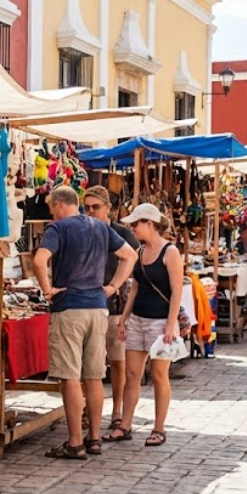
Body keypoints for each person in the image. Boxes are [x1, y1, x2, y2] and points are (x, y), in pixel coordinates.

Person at [33, 186, 137, 460]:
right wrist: (113, 285)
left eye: (51, 208)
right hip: (98, 308)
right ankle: (93, 438)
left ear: (58, 204)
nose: (51, 214)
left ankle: (75, 441)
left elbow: (39, 260)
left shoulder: (58, 229)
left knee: (69, 377)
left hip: (70, 308)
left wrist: (47, 291)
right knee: (93, 376)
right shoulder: (100, 227)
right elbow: (131, 255)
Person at [106, 203, 184, 448]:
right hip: (138, 319)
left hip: (160, 321)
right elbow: (136, 287)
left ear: (149, 223)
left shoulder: (170, 252)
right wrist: (125, 317)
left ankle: (159, 428)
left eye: (136, 224)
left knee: (160, 375)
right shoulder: (138, 252)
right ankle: (125, 425)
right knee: (132, 375)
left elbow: (177, 290)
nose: (133, 228)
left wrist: (171, 325)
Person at [83, 186, 139, 432]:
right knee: (89, 363)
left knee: (117, 361)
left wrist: (116, 285)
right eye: (87, 207)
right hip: (88, 305)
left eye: (96, 206)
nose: (91, 211)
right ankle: (89, 408)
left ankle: (117, 410)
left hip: (114, 307)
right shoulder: (82, 231)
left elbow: (136, 262)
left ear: (108, 208)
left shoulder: (121, 234)